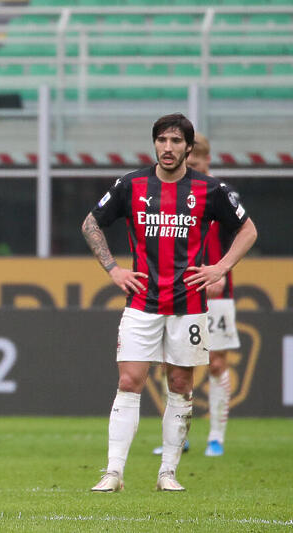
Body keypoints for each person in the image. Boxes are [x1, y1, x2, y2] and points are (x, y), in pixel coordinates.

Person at [81, 113, 257, 492]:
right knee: (129, 381)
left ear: (188, 148)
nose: (168, 147)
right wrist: (113, 269)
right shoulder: (131, 185)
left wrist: (221, 267)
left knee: (180, 384)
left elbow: (248, 229)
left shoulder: (209, 190)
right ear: (154, 144)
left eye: (176, 141)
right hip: (141, 302)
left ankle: (168, 473)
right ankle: (113, 472)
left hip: (189, 305)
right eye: (162, 140)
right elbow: (91, 223)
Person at [151, 133, 238, 458]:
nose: (193, 170)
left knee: (216, 362)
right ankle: (178, 436)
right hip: (178, 289)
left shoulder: (220, 194)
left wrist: (221, 271)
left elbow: (238, 237)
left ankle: (216, 436)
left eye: (198, 164)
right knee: (170, 363)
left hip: (216, 290)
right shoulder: (175, 192)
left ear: (207, 161)